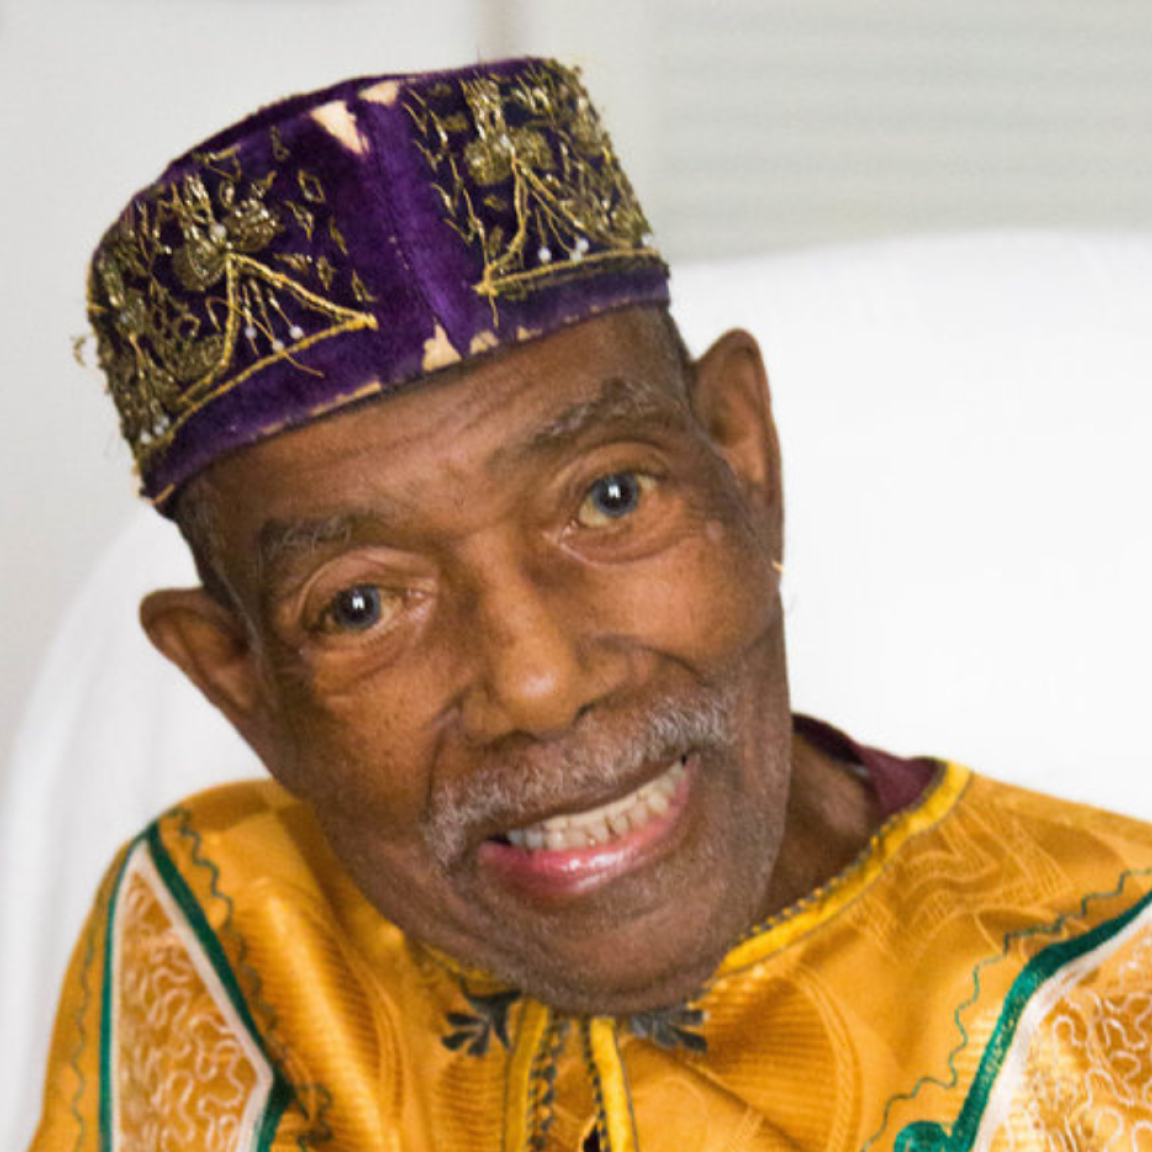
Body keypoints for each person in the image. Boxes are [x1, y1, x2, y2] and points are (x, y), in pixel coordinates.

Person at [29, 57, 1152, 1152]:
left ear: (743, 462)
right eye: (362, 604)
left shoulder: (1119, 998)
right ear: (238, 683)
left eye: (611, 498)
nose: (536, 681)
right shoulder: (229, 939)